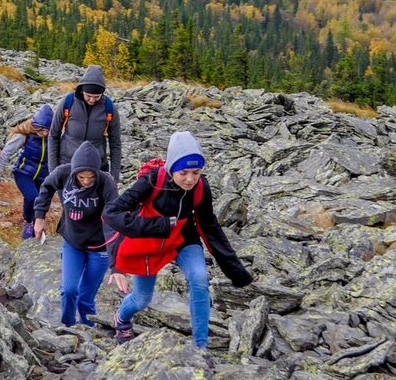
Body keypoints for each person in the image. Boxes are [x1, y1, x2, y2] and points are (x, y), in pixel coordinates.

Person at [105, 131, 253, 349]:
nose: (190, 179)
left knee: (200, 279)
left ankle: (200, 346)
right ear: (172, 167)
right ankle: (122, 319)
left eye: (196, 172)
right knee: (142, 299)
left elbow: (209, 226)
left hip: (183, 239)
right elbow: (112, 213)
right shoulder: (152, 181)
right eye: (183, 172)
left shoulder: (201, 187)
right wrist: (158, 226)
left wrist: (235, 271)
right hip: (149, 242)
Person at [33, 141, 118, 327]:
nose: (86, 181)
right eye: (81, 177)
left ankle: (89, 330)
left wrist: (116, 262)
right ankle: (68, 326)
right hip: (73, 241)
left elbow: (115, 217)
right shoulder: (63, 173)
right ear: (74, 172)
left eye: (91, 177)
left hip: (99, 246)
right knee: (69, 290)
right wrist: (40, 216)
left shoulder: (106, 182)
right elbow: (46, 188)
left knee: (86, 297)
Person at [47, 64, 123, 182]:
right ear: (82, 90)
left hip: (97, 168)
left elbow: (115, 143)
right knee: (68, 201)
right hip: (67, 165)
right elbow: (53, 135)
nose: (92, 100)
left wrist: (114, 176)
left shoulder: (109, 108)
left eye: (97, 96)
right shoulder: (68, 102)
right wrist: (53, 170)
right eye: (88, 96)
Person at [0, 104, 54, 239]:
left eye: (48, 130)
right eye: (42, 129)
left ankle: (36, 228)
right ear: (35, 125)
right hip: (23, 172)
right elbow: (6, 153)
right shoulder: (25, 135)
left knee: (41, 201)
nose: (45, 133)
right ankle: (28, 222)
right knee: (32, 197)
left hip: (43, 176)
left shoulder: (54, 137)